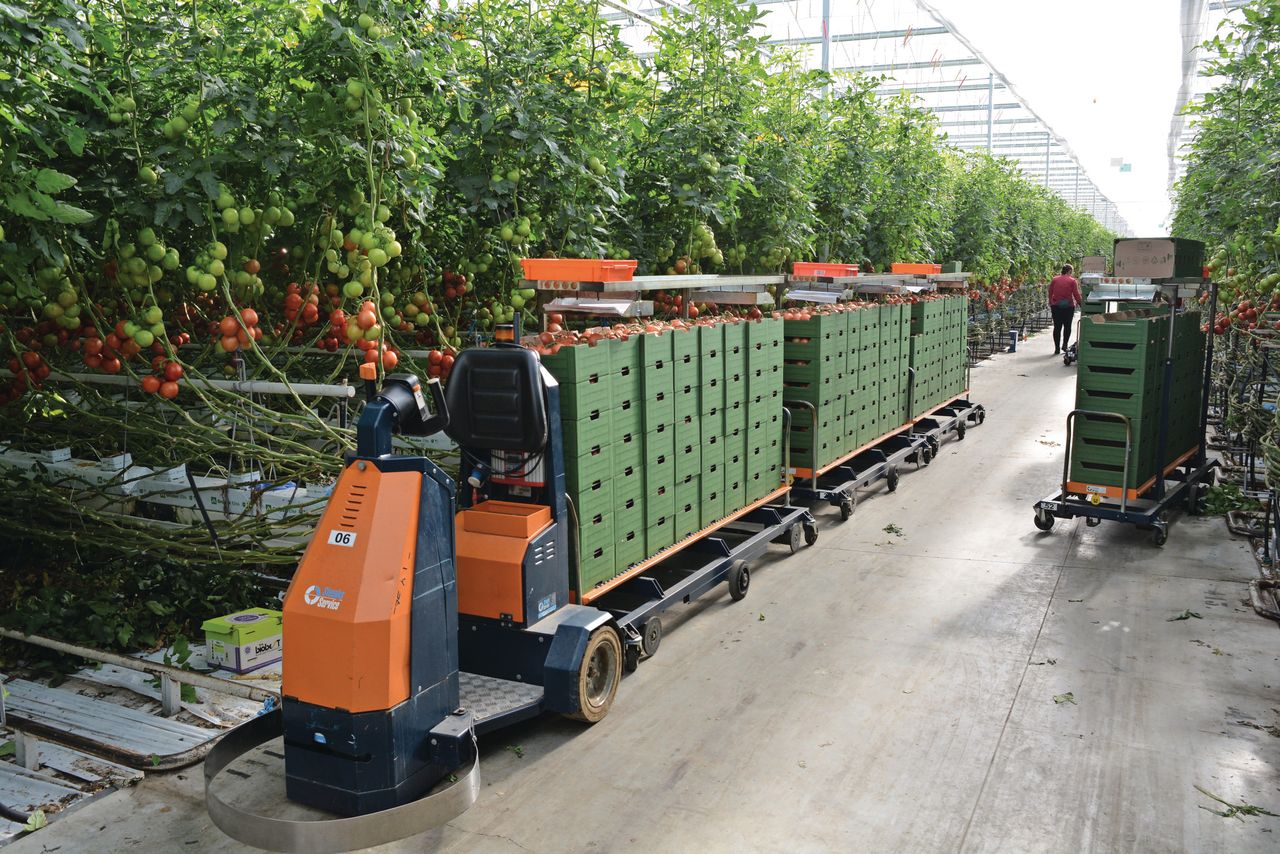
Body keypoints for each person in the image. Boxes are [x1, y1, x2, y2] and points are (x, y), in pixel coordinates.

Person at [1048, 264, 1082, 355]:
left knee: (1057, 327)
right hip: (1068, 307)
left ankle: (1057, 348)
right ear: (1069, 271)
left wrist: (1051, 302)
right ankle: (1065, 345)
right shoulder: (1072, 281)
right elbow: (1076, 294)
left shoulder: (1054, 279)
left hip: (1056, 306)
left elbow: (1050, 292)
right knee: (1067, 327)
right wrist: (1080, 303)